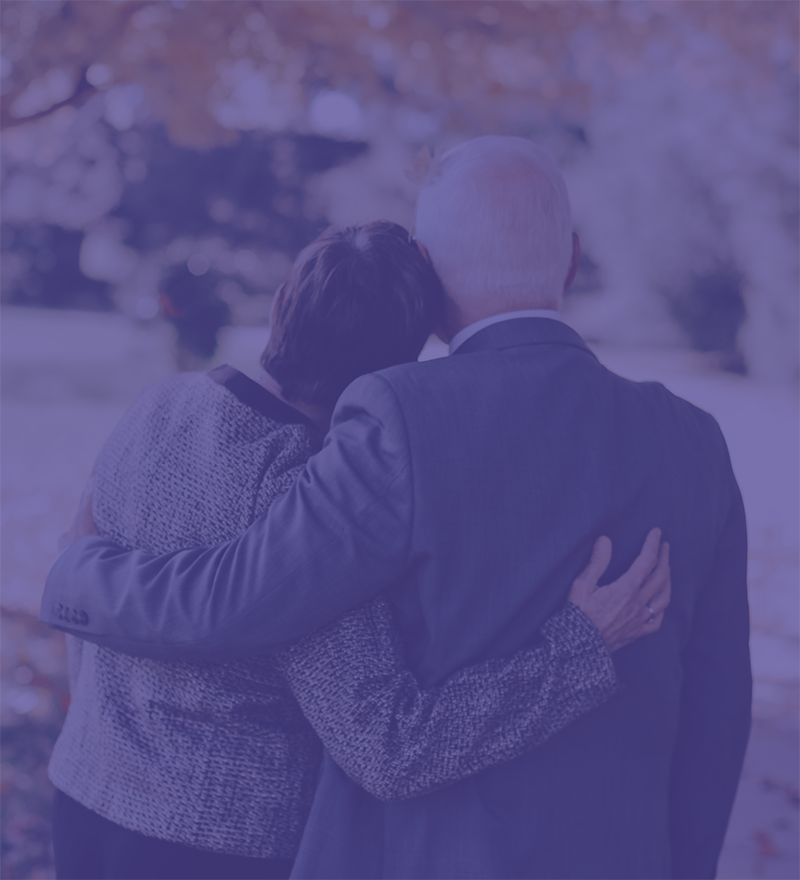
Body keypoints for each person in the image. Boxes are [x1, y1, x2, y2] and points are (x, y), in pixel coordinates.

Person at [41, 137, 750, 880]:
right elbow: (718, 706)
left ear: (434, 278)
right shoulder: (696, 442)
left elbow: (232, 601)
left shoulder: (371, 422)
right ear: (570, 259)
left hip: (142, 804)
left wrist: (75, 570)